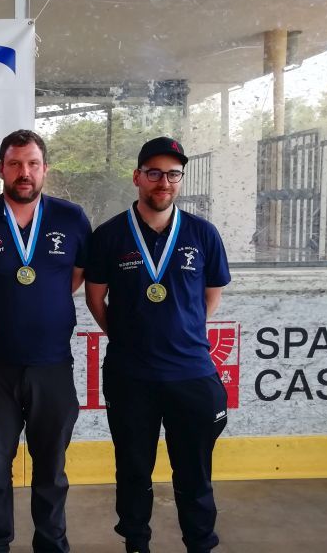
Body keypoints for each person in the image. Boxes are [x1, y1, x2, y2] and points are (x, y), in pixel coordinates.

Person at [85, 136, 230, 553]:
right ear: (137, 177)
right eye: (154, 173)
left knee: (195, 474)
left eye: (172, 174)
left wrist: (183, 333)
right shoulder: (110, 235)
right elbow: (96, 298)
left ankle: (200, 544)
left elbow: (211, 296)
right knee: (133, 471)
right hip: (131, 377)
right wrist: (126, 337)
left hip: (191, 375)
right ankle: (136, 543)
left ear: (180, 179)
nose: (163, 182)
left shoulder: (203, 233)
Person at [0, 129, 91, 553]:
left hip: (53, 366)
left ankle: (51, 544)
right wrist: (2, 305)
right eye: (14, 164)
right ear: (1, 169)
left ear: (45, 169)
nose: (23, 172)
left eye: (32, 164)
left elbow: (75, 278)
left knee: (52, 468)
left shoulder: (71, 219)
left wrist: (40, 302)